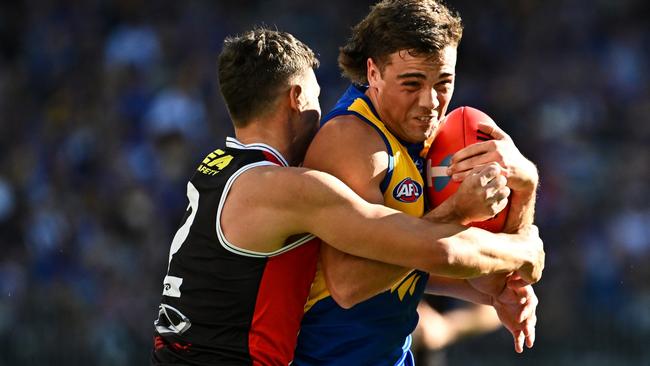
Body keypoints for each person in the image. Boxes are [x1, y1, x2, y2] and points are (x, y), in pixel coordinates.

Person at [150, 27, 543, 365]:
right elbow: (392, 251)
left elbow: (391, 261)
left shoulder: (218, 167)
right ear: (296, 98)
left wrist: (487, 292)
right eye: (318, 99)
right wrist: (515, 243)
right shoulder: (292, 190)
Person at [294, 0, 541, 364]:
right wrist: (456, 213)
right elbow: (349, 285)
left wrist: (525, 185)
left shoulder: (437, 136)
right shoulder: (351, 141)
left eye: (444, 82)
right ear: (373, 73)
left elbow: (489, 276)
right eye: (411, 83)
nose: (430, 102)